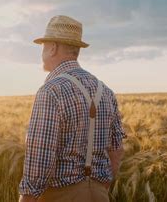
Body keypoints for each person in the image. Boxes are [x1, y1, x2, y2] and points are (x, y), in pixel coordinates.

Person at [18, 15, 128, 202]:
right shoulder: (106, 91)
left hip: (61, 196)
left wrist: (26, 199)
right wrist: (100, 188)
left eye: (43, 46)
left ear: (52, 47)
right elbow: (116, 150)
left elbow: (40, 162)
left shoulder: (51, 91)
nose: (42, 52)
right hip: (100, 194)